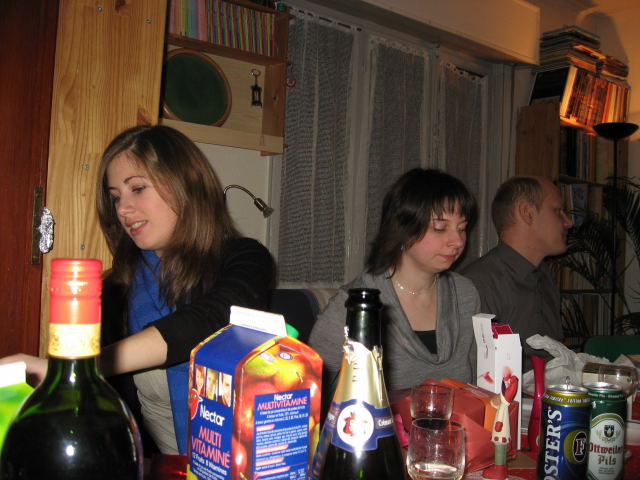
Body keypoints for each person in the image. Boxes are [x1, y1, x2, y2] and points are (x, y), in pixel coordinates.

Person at [3, 125, 274, 455]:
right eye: (116, 196)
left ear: (186, 185)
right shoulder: (114, 291)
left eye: (138, 188)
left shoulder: (246, 258)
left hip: (245, 462)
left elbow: (215, 320)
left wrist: (78, 369)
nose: (122, 209)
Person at [309, 168, 481, 392]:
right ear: (403, 230)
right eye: (440, 228)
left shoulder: (465, 293)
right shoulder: (356, 304)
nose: (457, 241)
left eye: (462, 228)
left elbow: (478, 381)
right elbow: (310, 381)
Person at [461, 176, 572, 370]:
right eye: (557, 211)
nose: (568, 222)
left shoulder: (543, 275)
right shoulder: (477, 285)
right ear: (527, 213)